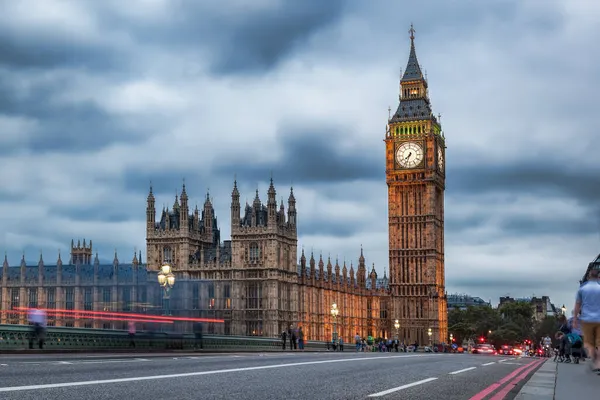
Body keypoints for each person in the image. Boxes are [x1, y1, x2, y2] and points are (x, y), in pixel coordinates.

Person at [572, 265, 600, 372]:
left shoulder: (582, 289)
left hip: (587, 319)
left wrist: (575, 319)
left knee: (588, 343)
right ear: (598, 277)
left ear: (588, 277)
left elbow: (577, 305)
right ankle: (599, 363)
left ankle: (596, 360)